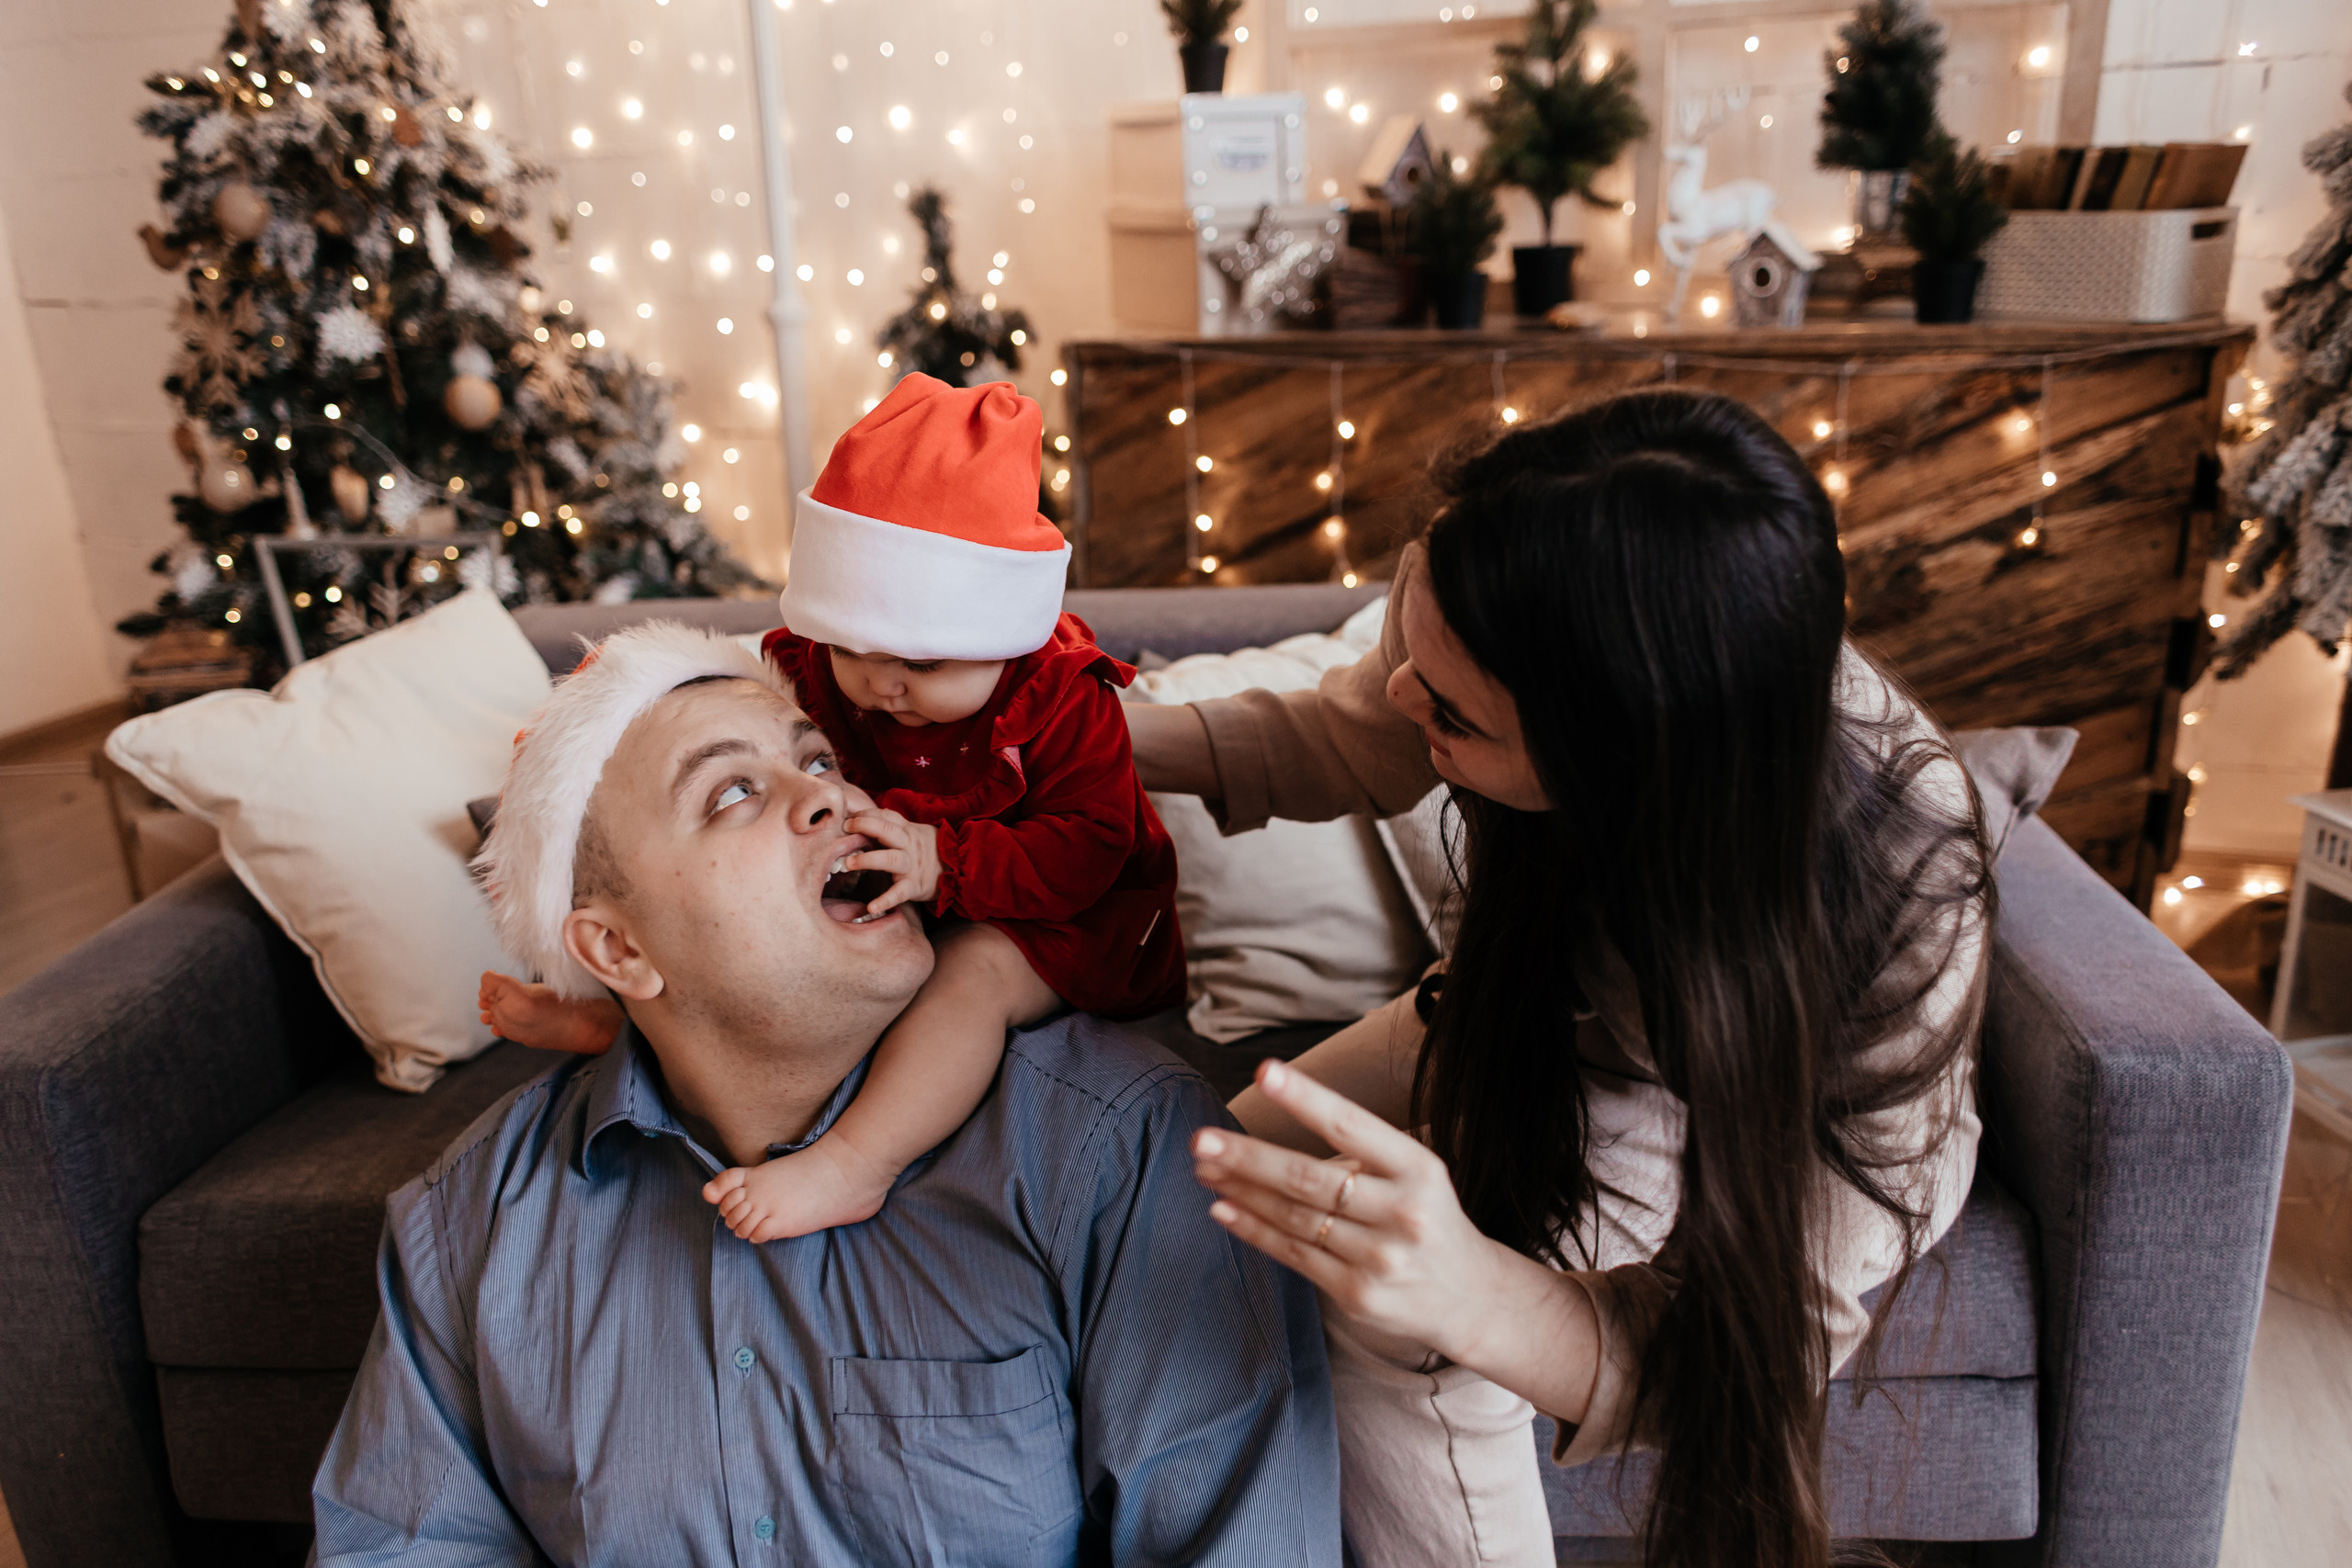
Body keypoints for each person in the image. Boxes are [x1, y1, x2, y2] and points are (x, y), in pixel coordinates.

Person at [1132, 387, 1991, 1568]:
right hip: (1534, 1004)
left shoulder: (1893, 894)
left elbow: (1743, 1352)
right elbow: (1350, 735)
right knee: (1171, 1199)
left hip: (1730, 1082)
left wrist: (1465, 1289)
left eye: (1451, 713)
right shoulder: (1521, 578)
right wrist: (1099, 741)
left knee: (1395, 1331)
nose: (1398, 693)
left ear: (1614, 760)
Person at [314, 621, 1337, 1565]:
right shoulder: (471, 1228)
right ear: (618, 949)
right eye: (730, 795)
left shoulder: (1121, 1146)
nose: (835, 799)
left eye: (817, 761)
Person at [479, 372, 1184, 1242]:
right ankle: (620, 1021)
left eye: (921, 664)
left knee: (968, 974)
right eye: (855, 650)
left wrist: (947, 863)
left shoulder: (1061, 698)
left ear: (1008, 635)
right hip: (903, 883)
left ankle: (858, 1161)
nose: (884, 685)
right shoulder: (819, 668)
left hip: (1067, 909)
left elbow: (1094, 845)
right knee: (742, 954)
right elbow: (719, 715)